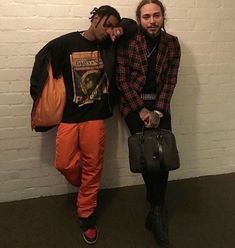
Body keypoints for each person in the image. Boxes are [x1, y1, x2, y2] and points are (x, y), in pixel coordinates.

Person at [30, 5, 137, 245]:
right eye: (106, 24)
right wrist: (38, 95)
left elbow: (132, 27)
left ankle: (86, 214)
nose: (108, 30)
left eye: (112, 26)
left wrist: (118, 29)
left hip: (96, 117)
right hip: (69, 116)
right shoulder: (65, 43)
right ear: (95, 18)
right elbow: (42, 63)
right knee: (65, 163)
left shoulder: (109, 44)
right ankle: (87, 186)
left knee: (93, 165)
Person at [116, 0, 181, 246]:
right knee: (145, 156)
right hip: (133, 106)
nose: (151, 21)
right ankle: (157, 209)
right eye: (146, 17)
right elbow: (121, 80)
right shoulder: (128, 41)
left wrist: (158, 112)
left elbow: (170, 80)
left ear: (163, 16)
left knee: (163, 158)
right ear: (139, 19)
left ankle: (156, 209)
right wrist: (142, 109)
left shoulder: (172, 43)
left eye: (156, 15)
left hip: (160, 107)